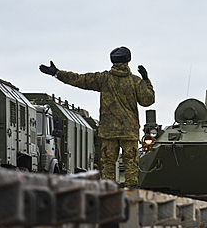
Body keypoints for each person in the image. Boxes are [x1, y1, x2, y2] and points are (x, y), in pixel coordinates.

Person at [39, 47, 155, 187]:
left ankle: (108, 192)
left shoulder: (103, 79)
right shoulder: (135, 81)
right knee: (130, 164)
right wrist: (146, 80)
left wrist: (57, 73)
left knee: (107, 165)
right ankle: (132, 192)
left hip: (108, 132)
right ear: (127, 62)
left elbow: (80, 80)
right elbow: (148, 100)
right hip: (129, 132)